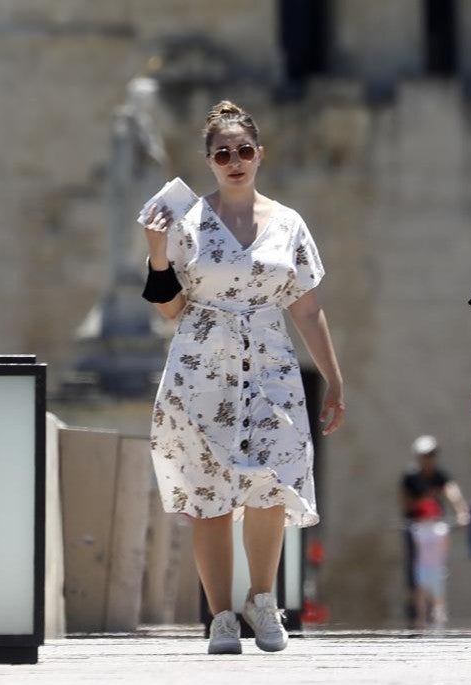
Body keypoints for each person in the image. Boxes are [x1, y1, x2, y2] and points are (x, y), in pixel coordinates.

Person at [141, 101, 345, 655]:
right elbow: (170, 307)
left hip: (271, 364)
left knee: (272, 483)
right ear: (209, 161)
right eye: (223, 153)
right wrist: (158, 255)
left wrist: (332, 377)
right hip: (201, 362)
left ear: (260, 156)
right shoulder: (186, 222)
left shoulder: (288, 224)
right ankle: (221, 616)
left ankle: (262, 598)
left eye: (244, 151)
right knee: (207, 490)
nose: (235, 161)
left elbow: (306, 306)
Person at [401, 435, 470, 626]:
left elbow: (451, 491)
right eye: (425, 455)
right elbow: (405, 504)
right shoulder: (411, 477)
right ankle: (416, 613)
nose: (429, 459)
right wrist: (423, 501)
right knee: (415, 572)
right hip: (417, 530)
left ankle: (436, 610)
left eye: (432, 455)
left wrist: (461, 511)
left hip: (435, 531)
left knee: (438, 569)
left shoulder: (439, 475)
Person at [408, 498, 452, 630]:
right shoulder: (418, 530)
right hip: (422, 566)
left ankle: (438, 615)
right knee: (421, 592)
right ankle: (421, 616)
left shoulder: (441, 529)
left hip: (437, 566)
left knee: (438, 593)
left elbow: (446, 547)